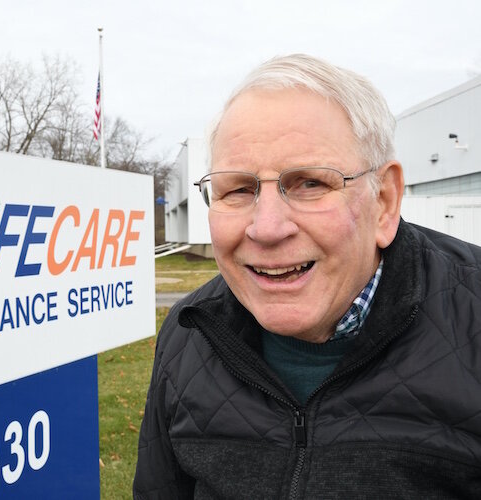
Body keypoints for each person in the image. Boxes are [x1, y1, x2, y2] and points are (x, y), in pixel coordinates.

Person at [134, 54, 481, 499]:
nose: (267, 227)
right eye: (238, 188)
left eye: (310, 184)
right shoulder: (188, 333)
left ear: (385, 201)